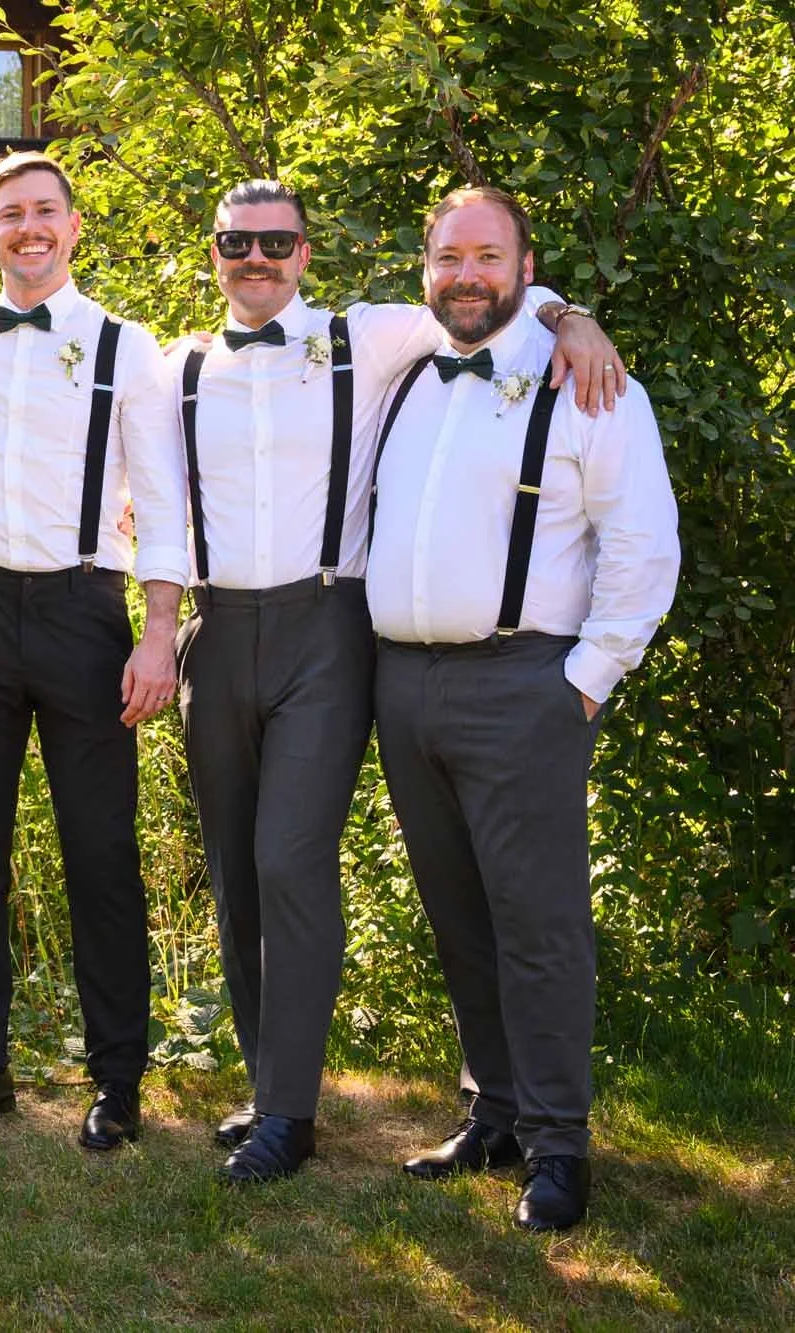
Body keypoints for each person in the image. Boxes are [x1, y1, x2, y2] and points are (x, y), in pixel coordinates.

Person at [162, 180, 623, 1182]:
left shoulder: (368, 338)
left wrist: (571, 316)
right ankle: (272, 1085)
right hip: (222, 628)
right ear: (211, 252)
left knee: (289, 858)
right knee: (240, 873)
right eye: (234, 241)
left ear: (303, 250)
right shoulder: (176, 367)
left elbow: (483, 303)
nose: (254, 257)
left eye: (274, 240)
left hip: (328, 630)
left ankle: (298, 1114)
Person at [369, 187, 678, 1230]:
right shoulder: (404, 369)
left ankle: (558, 1145)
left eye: (487, 256)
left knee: (536, 923)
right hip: (401, 684)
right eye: (447, 255)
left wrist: (588, 677)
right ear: (423, 266)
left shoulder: (580, 378)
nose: (465, 274)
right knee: (457, 915)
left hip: (523, 685)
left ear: (522, 265)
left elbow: (640, 544)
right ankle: (490, 1110)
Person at [0, 152, 186, 1149]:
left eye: (43, 213)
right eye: (8, 216)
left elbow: (159, 495)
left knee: (101, 853)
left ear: (72, 227)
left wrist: (159, 631)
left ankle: (117, 1080)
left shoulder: (127, 344)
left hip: (82, 610)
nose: (27, 228)